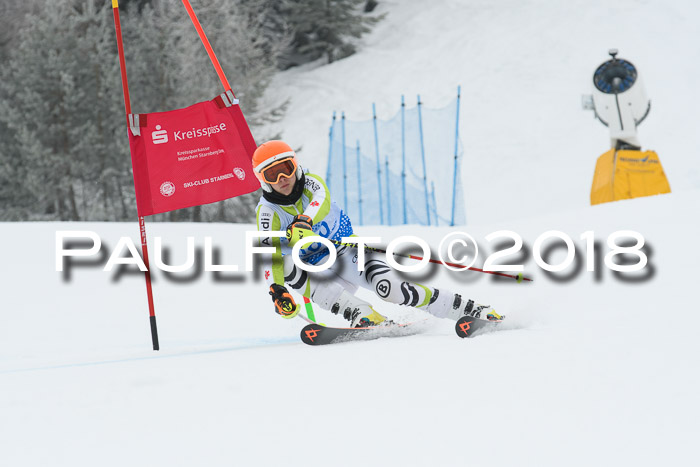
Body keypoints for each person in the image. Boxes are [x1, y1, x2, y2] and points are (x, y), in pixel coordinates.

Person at [253, 140, 502, 327]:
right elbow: (268, 253)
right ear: (263, 180)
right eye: (272, 174)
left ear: (295, 165)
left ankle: (465, 308)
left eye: (286, 168)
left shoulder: (311, 183)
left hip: (346, 252)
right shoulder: (267, 212)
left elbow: (323, 201)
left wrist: (305, 221)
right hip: (317, 273)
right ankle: (362, 314)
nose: (282, 178)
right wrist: (277, 290)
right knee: (284, 263)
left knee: (390, 289)